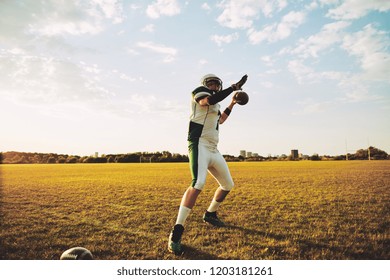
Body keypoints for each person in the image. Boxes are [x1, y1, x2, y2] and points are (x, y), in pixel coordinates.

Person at [168, 73, 248, 254]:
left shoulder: (217, 103)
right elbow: (208, 101)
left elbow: (221, 120)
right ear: (205, 85)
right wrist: (233, 88)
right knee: (198, 183)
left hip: (213, 148)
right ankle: (177, 230)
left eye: (216, 84)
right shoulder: (199, 94)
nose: (213, 86)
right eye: (210, 83)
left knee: (228, 184)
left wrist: (232, 104)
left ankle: (210, 214)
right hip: (199, 144)